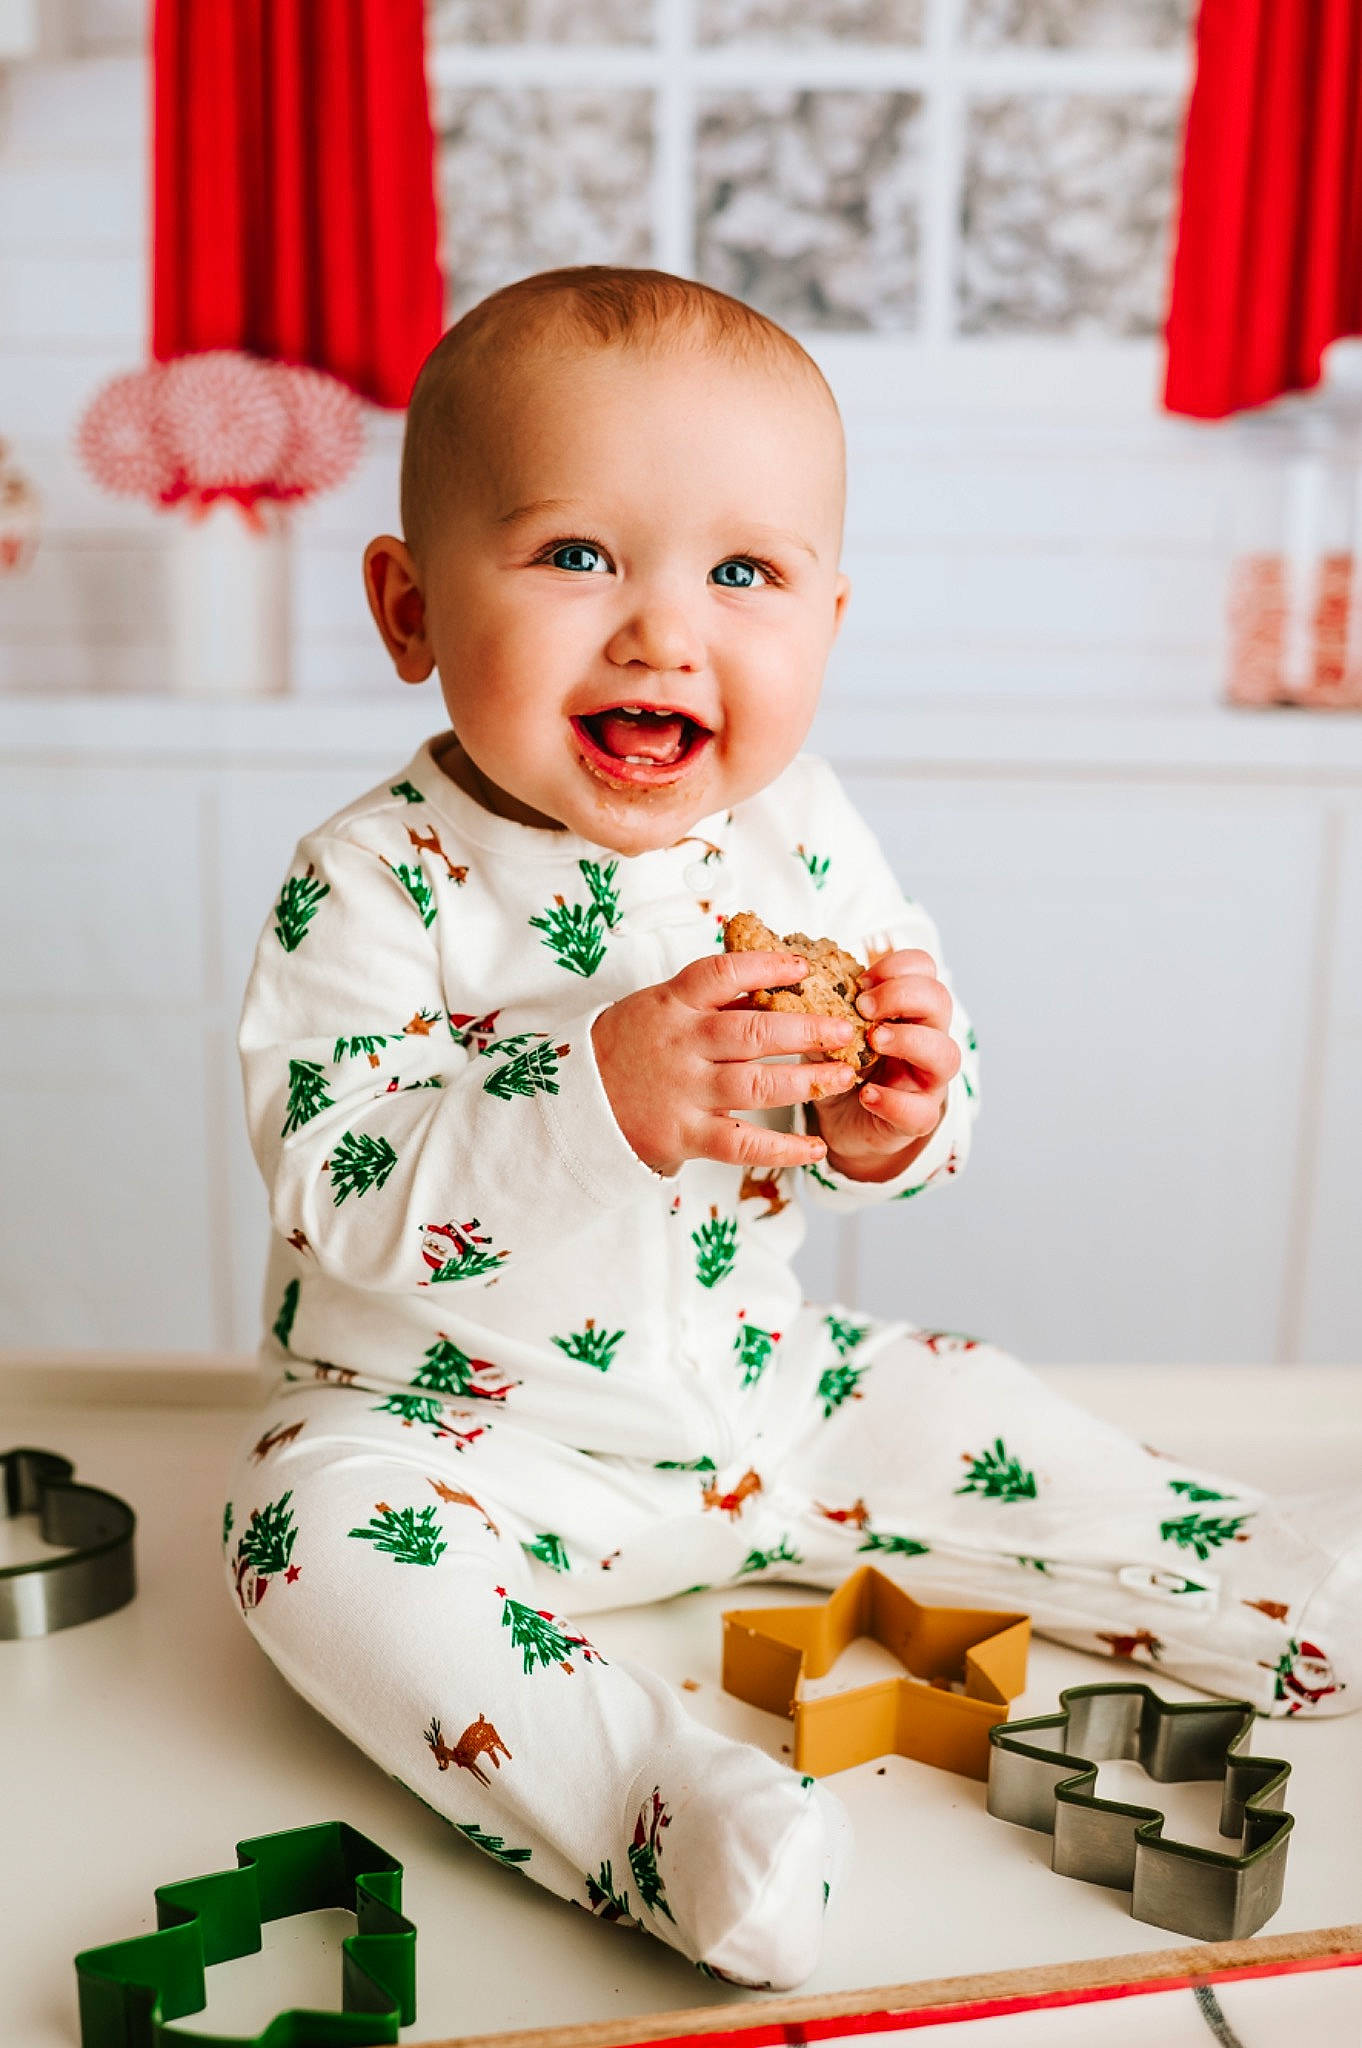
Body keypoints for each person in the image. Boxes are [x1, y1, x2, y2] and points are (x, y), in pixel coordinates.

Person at [227, 266, 1358, 1992]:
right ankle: (666, 1816)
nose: (661, 635)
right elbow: (337, 1186)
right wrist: (599, 1094)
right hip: (459, 1438)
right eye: (576, 555)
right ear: (410, 607)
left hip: (764, 1391)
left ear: (825, 620)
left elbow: (908, 1090)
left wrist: (900, 1109)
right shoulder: (375, 880)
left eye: (741, 574)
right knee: (298, 1545)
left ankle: (1286, 1589)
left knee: (970, 1401)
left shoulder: (797, 830)